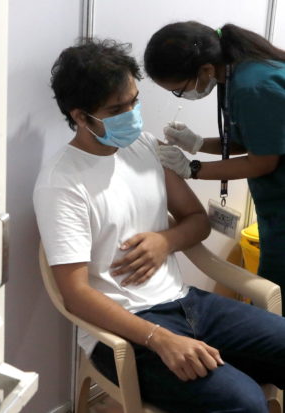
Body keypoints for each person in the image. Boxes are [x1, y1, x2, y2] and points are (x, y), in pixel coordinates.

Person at [34, 38, 285, 413]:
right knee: (244, 402)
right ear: (82, 116)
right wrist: (159, 338)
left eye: (135, 101)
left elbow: (197, 221)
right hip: (124, 330)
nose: (132, 114)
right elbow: (75, 293)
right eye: (117, 109)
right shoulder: (62, 182)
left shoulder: (144, 147)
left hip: (186, 302)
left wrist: (165, 241)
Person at [144, 21, 285, 297]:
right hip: (276, 206)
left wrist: (192, 168)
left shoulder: (251, 85)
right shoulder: (233, 74)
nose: (181, 95)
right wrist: (197, 144)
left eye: (179, 90)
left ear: (206, 69)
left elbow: (263, 161)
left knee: (275, 298)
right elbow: (254, 139)